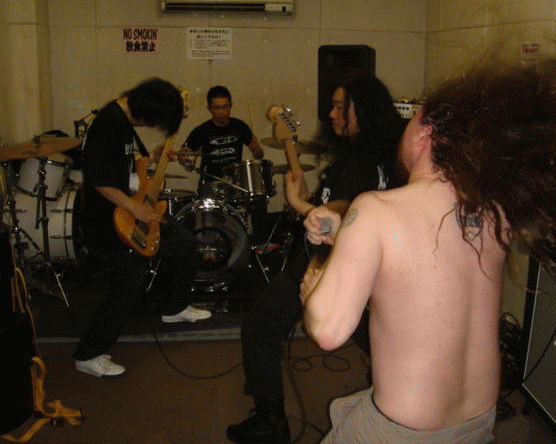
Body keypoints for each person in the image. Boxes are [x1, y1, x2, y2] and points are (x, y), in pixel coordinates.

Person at [300, 48, 556, 443]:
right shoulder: (495, 209)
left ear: (425, 133)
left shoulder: (375, 209)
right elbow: (428, 261)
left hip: (401, 433)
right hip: (477, 423)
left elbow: (328, 331)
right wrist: (350, 236)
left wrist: (316, 281)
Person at [226, 76, 408, 443]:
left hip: (324, 266)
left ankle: (271, 421)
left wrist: (297, 203)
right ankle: (401, 401)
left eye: (341, 107)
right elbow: (331, 205)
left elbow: (342, 222)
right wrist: (290, 150)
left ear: (364, 110)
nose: (332, 114)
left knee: (260, 326)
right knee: (380, 343)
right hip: (358, 270)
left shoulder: (359, 163)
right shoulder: (383, 156)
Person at [74, 78, 211, 378]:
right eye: (154, 121)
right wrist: (135, 208)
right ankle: (89, 354)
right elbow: (98, 179)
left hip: (130, 207)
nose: (150, 126)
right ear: (145, 111)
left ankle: (175, 308)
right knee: (130, 282)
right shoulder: (108, 122)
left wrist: (156, 156)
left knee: (186, 244)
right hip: (109, 218)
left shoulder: (123, 122)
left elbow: (122, 165)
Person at [179, 85, 266, 244]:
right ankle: (210, 245)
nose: (222, 112)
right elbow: (185, 153)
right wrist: (186, 160)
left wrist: (258, 151)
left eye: (225, 107)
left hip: (236, 183)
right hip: (211, 182)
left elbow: (257, 152)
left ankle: (258, 243)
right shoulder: (202, 130)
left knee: (258, 198)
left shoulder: (239, 126)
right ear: (209, 109)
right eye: (217, 108)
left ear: (231, 106)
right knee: (211, 223)